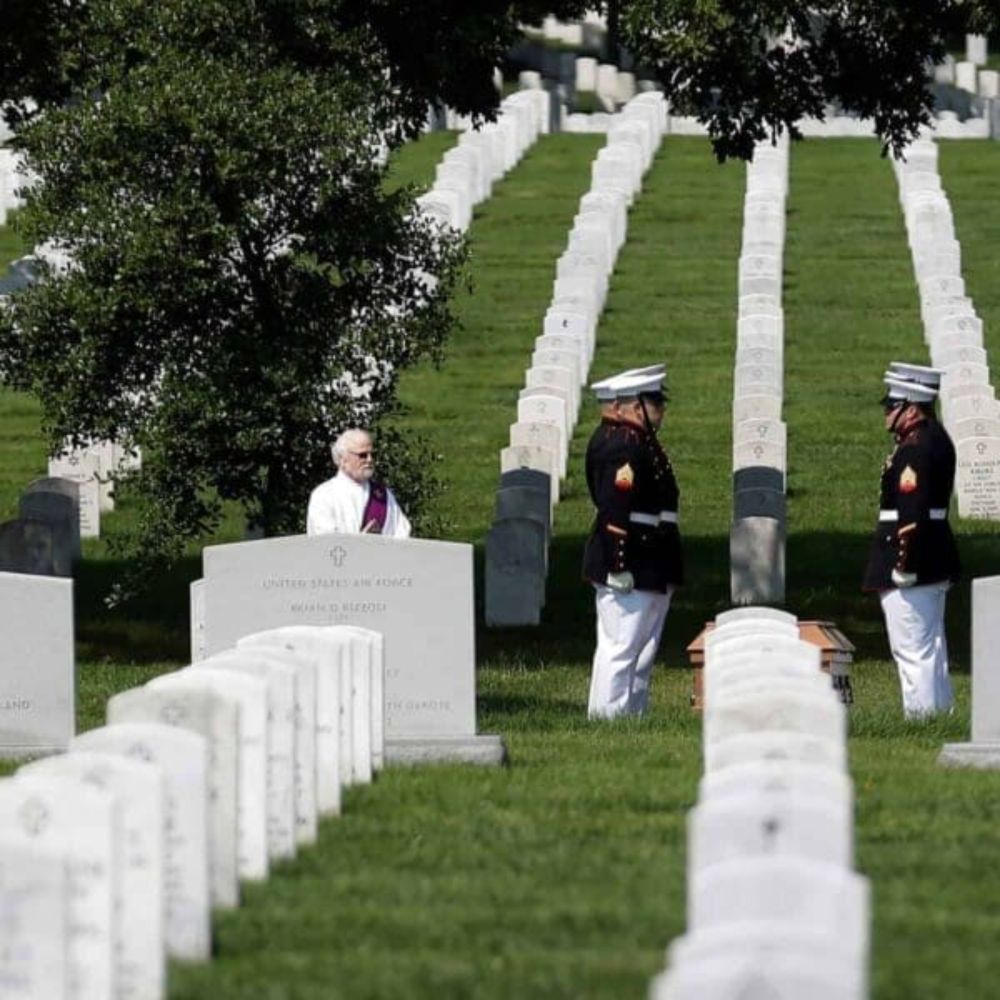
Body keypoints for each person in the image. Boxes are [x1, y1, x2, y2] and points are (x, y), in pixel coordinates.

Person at [582, 366, 683, 718]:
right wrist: (618, 564)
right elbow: (614, 510)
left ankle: (630, 715)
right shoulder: (625, 447)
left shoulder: (642, 444)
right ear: (638, 406)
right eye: (656, 403)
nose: (661, 410)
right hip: (634, 559)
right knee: (620, 645)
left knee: (641, 647)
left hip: (652, 558)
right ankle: (609, 717)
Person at [862, 363, 960, 718]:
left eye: (893, 405)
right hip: (934, 552)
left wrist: (905, 564)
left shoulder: (915, 448)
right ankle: (938, 714)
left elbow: (912, 512)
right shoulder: (933, 437)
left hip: (914, 558)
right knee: (930, 645)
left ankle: (920, 717)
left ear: (912, 406)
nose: (887, 412)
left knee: (912, 647)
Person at [306, 428, 412, 538]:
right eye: (362, 455)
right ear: (343, 459)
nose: (369, 460)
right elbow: (324, 542)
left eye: (372, 454)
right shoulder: (324, 495)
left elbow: (402, 536)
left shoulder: (382, 495)